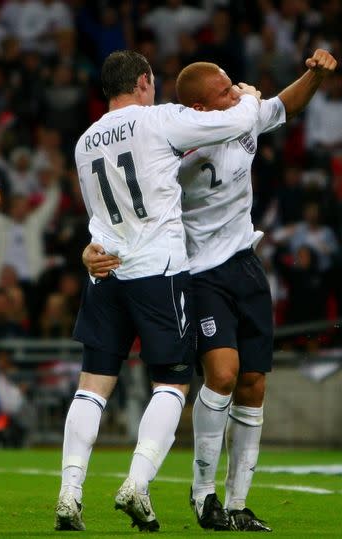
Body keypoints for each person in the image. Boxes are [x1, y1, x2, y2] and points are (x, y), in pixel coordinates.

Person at [84, 50, 338, 532]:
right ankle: (204, 495)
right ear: (201, 109)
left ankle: (239, 503)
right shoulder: (175, 148)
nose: (236, 90)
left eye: (231, 84)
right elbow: (123, 198)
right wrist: (91, 248)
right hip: (197, 272)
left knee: (254, 383)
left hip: (244, 264)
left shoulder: (242, 119)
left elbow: (285, 105)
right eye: (224, 89)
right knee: (222, 373)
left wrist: (315, 74)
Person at [55, 49, 262, 532]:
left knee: (92, 385)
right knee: (171, 382)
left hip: (105, 271)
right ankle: (137, 483)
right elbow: (231, 124)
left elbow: (95, 214)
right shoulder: (160, 120)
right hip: (159, 270)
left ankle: (69, 491)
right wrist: (249, 98)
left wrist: (90, 252)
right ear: (145, 81)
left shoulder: (85, 142)